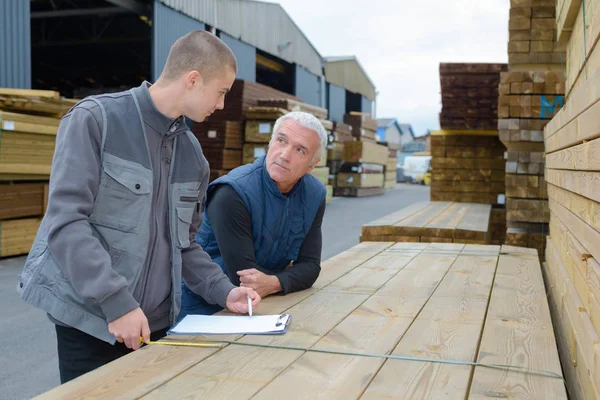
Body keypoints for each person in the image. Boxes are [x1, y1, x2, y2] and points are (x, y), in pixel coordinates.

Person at [17, 30, 260, 384]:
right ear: (193, 79)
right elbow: (66, 223)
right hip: (92, 323)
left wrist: (225, 291)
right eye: (221, 92)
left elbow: (185, 244)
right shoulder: (96, 120)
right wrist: (117, 303)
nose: (222, 104)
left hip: (154, 326)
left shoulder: (193, 157)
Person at [180, 111, 328, 317]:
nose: (285, 155)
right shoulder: (232, 193)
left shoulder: (315, 194)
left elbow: (311, 266)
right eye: (281, 140)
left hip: (263, 305)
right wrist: (288, 278)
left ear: (313, 164)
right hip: (204, 309)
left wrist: (275, 283)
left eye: (300, 150)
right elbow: (244, 279)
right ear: (270, 143)